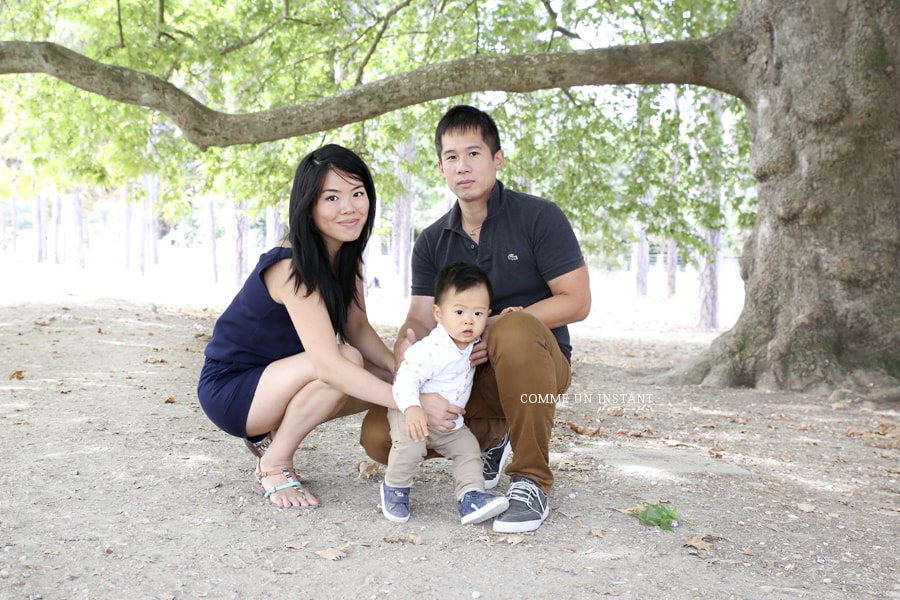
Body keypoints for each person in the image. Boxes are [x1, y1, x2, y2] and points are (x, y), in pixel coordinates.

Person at [360, 105, 591, 533]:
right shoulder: (430, 242)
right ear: (441, 167)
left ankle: (531, 480)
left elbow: (576, 301)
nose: (462, 166)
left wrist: (495, 325)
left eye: (473, 154)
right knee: (379, 434)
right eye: (451, 157)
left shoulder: (539, 217)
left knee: (512, 329)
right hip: (462, 372)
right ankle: (493, 436)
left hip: (535, 363)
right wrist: (406, 361)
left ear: (497, 159)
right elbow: (418, 319)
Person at [198, 144, 399, 509]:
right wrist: (410, 401)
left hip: (279, 379)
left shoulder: (346, 256)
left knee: (381, 376)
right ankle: (273, 462)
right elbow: (329, 365)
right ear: (309, 205)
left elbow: (356, 325)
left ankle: (270, 436)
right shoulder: (292, 266)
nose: (350, 207)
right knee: (346, 361)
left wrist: (399, 373)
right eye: (332, 197)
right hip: (233, 389)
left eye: (358, 193)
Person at [381, 262, 509, 525]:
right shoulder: (430, 349)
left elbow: (495, 326)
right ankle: (395, 486)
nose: (468, 320)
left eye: (478, 313)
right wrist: (412, 408)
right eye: (459, 311)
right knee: (411, 446)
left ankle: (471, 495)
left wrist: (507, 317)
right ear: (438, 313)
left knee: (468, 449)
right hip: (411, 411)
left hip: (449, 423)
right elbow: (405, 378)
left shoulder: (472, 342)